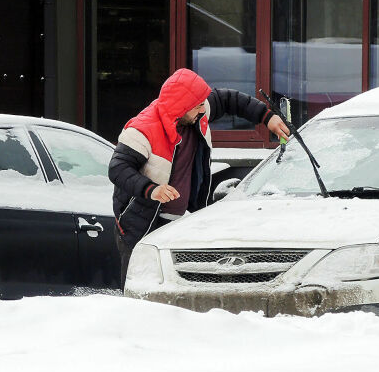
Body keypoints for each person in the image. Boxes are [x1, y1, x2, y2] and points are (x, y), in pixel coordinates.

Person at [108, 68, 290, 288]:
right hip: (139, 227)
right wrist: (151, 189)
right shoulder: (142, 130)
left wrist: (267, 117)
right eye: (198, 106)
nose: (204, 110)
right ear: (181, 107)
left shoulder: (196, 113)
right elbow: (118, 169)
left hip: (179, 223)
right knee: (140, 291)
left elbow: (228, 99)